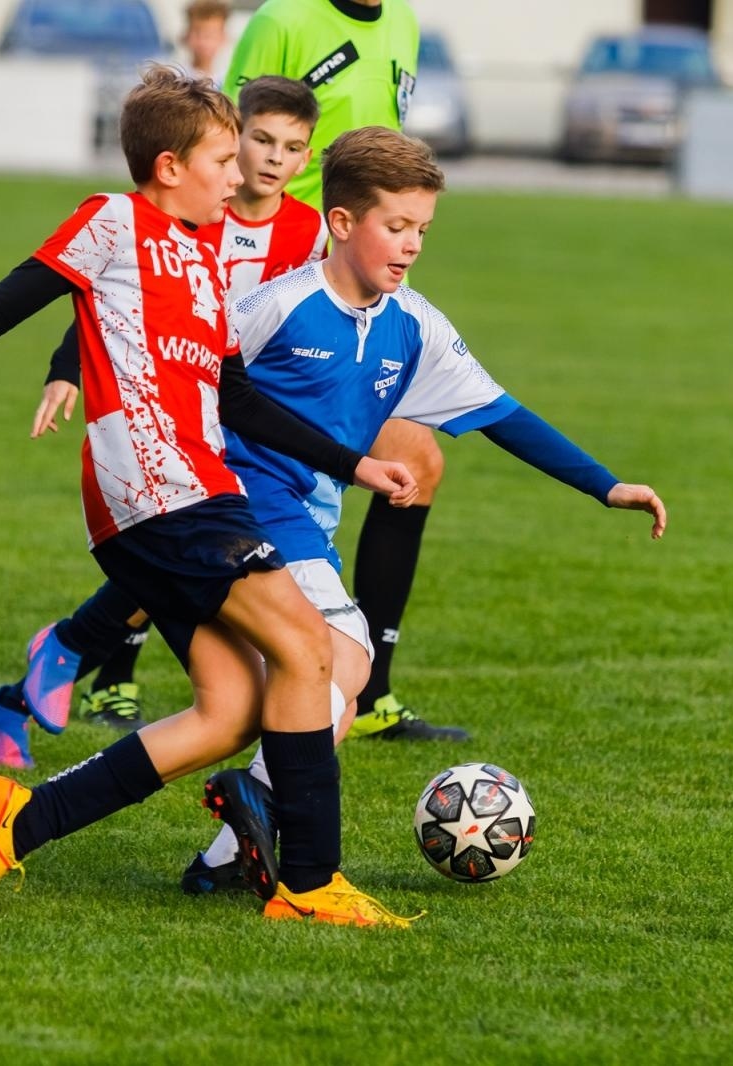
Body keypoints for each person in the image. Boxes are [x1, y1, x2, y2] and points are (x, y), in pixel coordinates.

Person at [0, 67, 422, 928]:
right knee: (308, 652)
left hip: (194, 497)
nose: (236, 175)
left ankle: (14, 825)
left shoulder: (208, 259)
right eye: (220, 159)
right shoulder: (111, 222)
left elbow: (236, 399)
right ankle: (311, 884)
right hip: (161, 494)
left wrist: (353, 466)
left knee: (228, 712)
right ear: (168, 166)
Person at [180, 125, 667, 893]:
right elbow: (189, 364)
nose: (410, 246)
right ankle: (262, 815)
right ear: (341, 224)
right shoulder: (278, 306)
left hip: (306, 521)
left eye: (422, 231)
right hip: (244, 504)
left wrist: (604, 485)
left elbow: (502, 414)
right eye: (396, 227)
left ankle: (224, 857)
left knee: (291, 693)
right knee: (344, 652)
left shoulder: (414, 326)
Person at [0, 74, 328, 756]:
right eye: (255, 142)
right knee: (185, 560)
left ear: (306, 157)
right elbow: (117, 300)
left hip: (241, 416)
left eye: (292, 147)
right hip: (173, 420)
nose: (269, 159)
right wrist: (66, 367)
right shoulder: (190, 219)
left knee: (181, 567)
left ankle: (58, 670)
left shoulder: (306, 233)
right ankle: (97, 670)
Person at [224, 0, 461, 741]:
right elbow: (225, 143)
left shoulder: (404, 27)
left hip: (356, 283)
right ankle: (98, 655)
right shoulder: (284, 20)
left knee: (415, 459)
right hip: (286, 284)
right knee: (216, 468)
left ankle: (370, 687)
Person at [180, 0, 231, 83]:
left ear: (223, 37)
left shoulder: (226, 81)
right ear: (186, 35)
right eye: (197, 33)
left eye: (211, 34)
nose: (203, 41)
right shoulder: (175, 79)